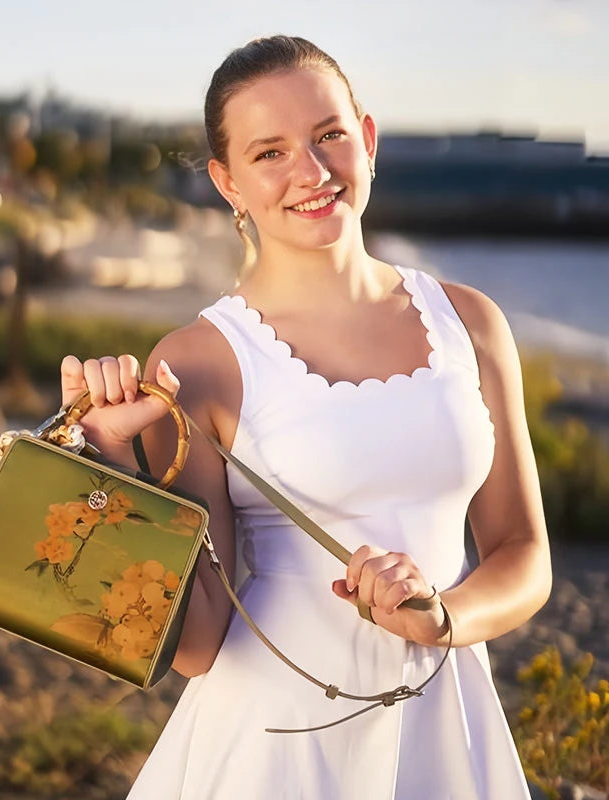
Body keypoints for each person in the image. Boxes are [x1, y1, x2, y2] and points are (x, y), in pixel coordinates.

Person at [60, 35, 551, 800]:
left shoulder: (473, 324)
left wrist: (443, 618)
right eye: (270, 153)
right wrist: (110, 463)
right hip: (274, 753)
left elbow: (524, 553)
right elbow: (196, 645)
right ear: (227, 182)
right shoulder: (197, 362)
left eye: (330, 136)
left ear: (368, 137)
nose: (312, 173)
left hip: (449, 735)